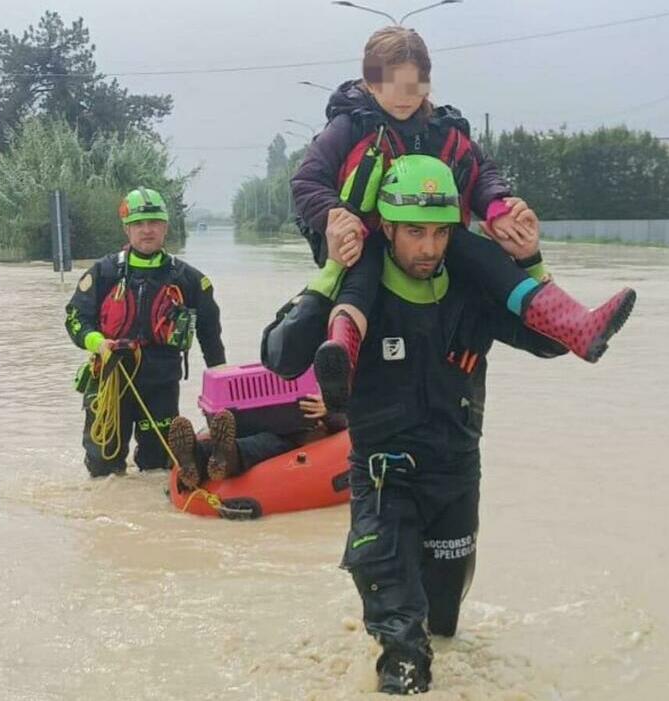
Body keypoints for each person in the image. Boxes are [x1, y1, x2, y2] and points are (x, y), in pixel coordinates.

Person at [332, 154, 578, 694]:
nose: (428, 248)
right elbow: (281, 353)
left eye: (440, 233)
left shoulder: (472, 290)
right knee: (404, 648)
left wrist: (531, 259)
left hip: (456, 476)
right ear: (388, 227)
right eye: (414, 232)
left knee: (443, 625)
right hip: (383, 477)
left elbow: (552, 342)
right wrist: (330, 273)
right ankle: (400, 665)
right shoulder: (360, 288)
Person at [290, 26, 636, 410]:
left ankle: (577, 325)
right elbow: (307, 182)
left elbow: (482, 171)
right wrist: (334, 216)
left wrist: (498, 206)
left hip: (433, 240)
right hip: (363, 239)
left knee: (485, 256)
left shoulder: (442, 127)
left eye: (415, 85)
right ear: (371, 82)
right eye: (392, 85)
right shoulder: (348, 126)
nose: (405, 98)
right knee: (363, 277)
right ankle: (341, 355)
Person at [65, 188, 226, 478]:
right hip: (110, 379)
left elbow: (211, 337)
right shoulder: (103, 274)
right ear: (127, 229)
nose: (147, 230)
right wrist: (98, 343)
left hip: (161, 384)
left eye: (154, 223)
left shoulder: (191, 280)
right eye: (139, 224)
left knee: (157, 467)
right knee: (103, 466)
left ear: (165, 227)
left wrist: (222, 388)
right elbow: (76, 319)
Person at [166, 393, 347, 489]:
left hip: (304, 432)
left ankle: (221, 457)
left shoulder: (349, 368)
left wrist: (331, 409)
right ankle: (194, 458)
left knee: (270, 443)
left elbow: (354, 420)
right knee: (258, 434)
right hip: (276, 417)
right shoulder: (292, 352)